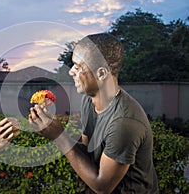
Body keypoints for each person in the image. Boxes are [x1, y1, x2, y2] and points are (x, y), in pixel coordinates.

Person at [29, 33, 159, 193]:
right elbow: (88, 152)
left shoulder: (124, 123)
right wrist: (52, 129)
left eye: (78, 67)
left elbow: (102, 186)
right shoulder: (89, 101)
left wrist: (60, 137)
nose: (71, 72)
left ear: (102, 74)